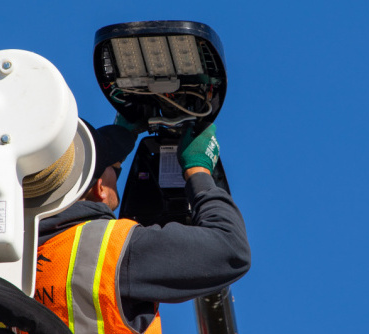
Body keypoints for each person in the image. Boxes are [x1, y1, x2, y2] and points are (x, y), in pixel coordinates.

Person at [34, 117, 251, 333]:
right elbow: (231, 248)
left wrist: (116, 137)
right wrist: (199, 172)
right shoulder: (112, 250)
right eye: (111, 166)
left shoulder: (15, 250)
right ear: (100, 188)